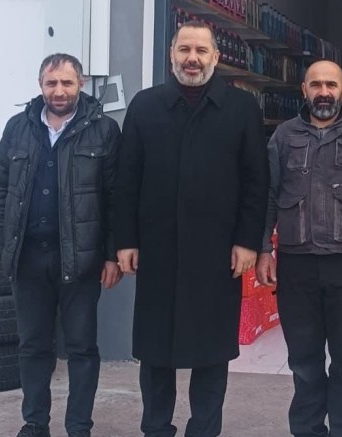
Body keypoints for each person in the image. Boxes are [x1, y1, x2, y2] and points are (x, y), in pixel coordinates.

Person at [112, 21, 269, 437]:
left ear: (216, 56)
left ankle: (205, 429)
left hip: (218, 252)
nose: (192, 59)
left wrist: (247, 241)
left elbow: (256, 182)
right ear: (171, 55)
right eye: (185, 50)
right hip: (157, 249)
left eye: (201, 51)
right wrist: (125, 240)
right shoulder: (146, 106)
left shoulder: (241, 108)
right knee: (155, 351)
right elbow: (126, 180)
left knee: (211, 352)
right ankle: (156, 428)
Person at [256, 60, 342, 437]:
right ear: (304, 90)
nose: (324, 92)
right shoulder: (284, 136)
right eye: (316, 85)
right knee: (303, 361)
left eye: (331, 85)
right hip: (297, 265)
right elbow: (268, 195)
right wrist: (264, 249)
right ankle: (307, 430)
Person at [0, 53, 123, 437]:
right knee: (33, 346)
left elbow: (115, 198)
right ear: (40, 85)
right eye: (52, 83)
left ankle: (79, 426)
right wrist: (6, 245)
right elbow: (1, 191)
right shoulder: (17, 128)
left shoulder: (103, 131)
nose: (59, 91)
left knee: (82, 347)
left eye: (67, 82)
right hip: (29, 258)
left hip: (80, 260)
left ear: (81, 84)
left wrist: (111, 255)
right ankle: (35, 423)